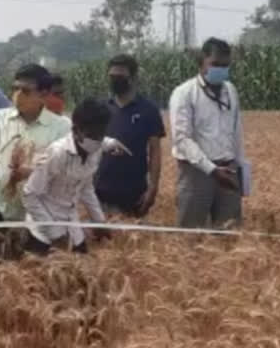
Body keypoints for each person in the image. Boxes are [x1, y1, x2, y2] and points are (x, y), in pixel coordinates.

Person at [0, 64, 71, 221]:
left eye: (25, 91)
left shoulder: (62, 127)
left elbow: (62, 170)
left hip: (38, 215)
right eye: (15, 89)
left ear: (44, 94)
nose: (17, 95)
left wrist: (34, 171)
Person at [170, 38, 246, 229]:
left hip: (228, 172)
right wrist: (211, 169)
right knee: (191, 236)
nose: (220, 70)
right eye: (215, 64)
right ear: (201, 61)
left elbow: (235, 132)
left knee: (230, 237)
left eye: (225, 65)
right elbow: (182, 139)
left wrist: (239, 170)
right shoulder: (184, 93)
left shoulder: (231, 91)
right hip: (196, 174)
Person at [23, 99, 112, 255]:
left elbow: (86, 188)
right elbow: (29, 194)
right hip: (43, 228)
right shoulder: (57, 153)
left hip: (71, 223)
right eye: (92, 134)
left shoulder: (95, 150)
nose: (97, 140)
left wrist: (99, 221)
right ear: (76, 130)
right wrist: (54, 233)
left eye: (101, 134)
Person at [95, 54, 166, 217]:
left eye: (120, 77)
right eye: (112, 77)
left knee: (133, 240)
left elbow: (155, 151)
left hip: (135, 193)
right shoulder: (101, 109)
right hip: (101, 192)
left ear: (133, 78)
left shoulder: (148, 110)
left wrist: (153, 187)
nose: (115, 80)